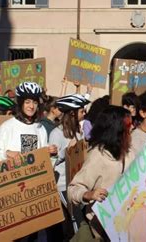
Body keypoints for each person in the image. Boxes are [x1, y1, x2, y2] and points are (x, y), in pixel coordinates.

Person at [68, 106, 134, 240]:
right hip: (103, 230)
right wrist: (88, 194)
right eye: (128, 124)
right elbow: (73, 189)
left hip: (127, 225)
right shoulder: (97, 156)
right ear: (116, 128)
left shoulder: (129, 152)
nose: (132, 127)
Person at [48, 93, 90, 241]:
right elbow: (50, 163)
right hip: (62, 185)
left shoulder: (78, 131)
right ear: (72, 113)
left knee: (79, 219)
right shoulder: (56, 134)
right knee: (76, 220)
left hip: (76, 183)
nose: (84, 114)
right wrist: (65, 152)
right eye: (81, 111)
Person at [0, 82, 56, 164]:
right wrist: (7, 153)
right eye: (27, 102)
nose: (31, 106)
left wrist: (51, 153)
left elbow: (46, 162)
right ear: (21, 103)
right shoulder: (7, 126)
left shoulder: (40, 128)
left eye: (35, 102)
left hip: (35, 175)